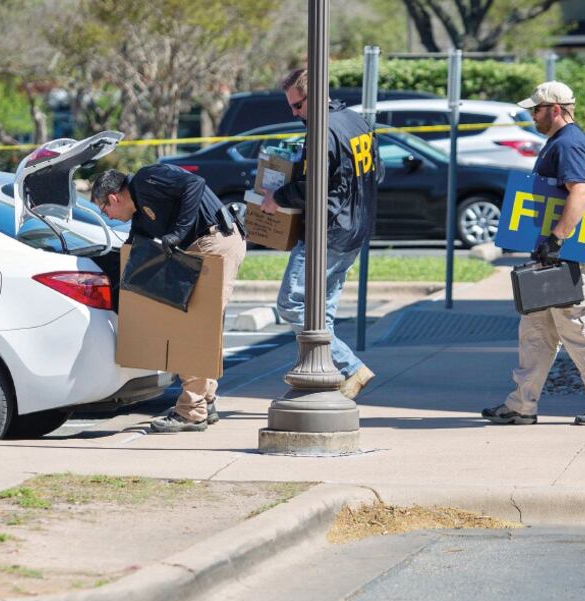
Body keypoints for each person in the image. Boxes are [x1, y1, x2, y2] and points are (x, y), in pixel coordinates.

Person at [482, 81, 585, 426]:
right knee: (535, 330)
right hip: (556, 255)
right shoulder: (561, 142)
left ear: (556, 109)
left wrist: (556, 238)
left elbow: (581, 192)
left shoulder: (568, 144)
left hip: (568, 255)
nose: (532, 116)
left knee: (579, 327)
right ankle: (521, 405)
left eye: (536, 110)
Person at [91, 164, 246, 432]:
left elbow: (194, 183)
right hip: (208, 244)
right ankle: (205, 402)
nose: (108, 216)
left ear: (114, 197)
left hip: (214, 242)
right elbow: (133, 248)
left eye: (105, 209)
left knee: (189, 328)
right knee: (200, 328)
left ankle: (191, 411)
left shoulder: (145, 180)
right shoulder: (140, 212)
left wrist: (177, 233)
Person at [260, 68, 382, 399]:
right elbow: (377, 173)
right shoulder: (356, 121)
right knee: (323, 308)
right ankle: (326, 378)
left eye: (298, 106)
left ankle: (348, 366)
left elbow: (315, 186)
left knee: (292, 303)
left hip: (326, 232)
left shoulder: (322, 130)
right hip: (355, 229)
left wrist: (279, 197)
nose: (295, 113)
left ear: (315, 96)